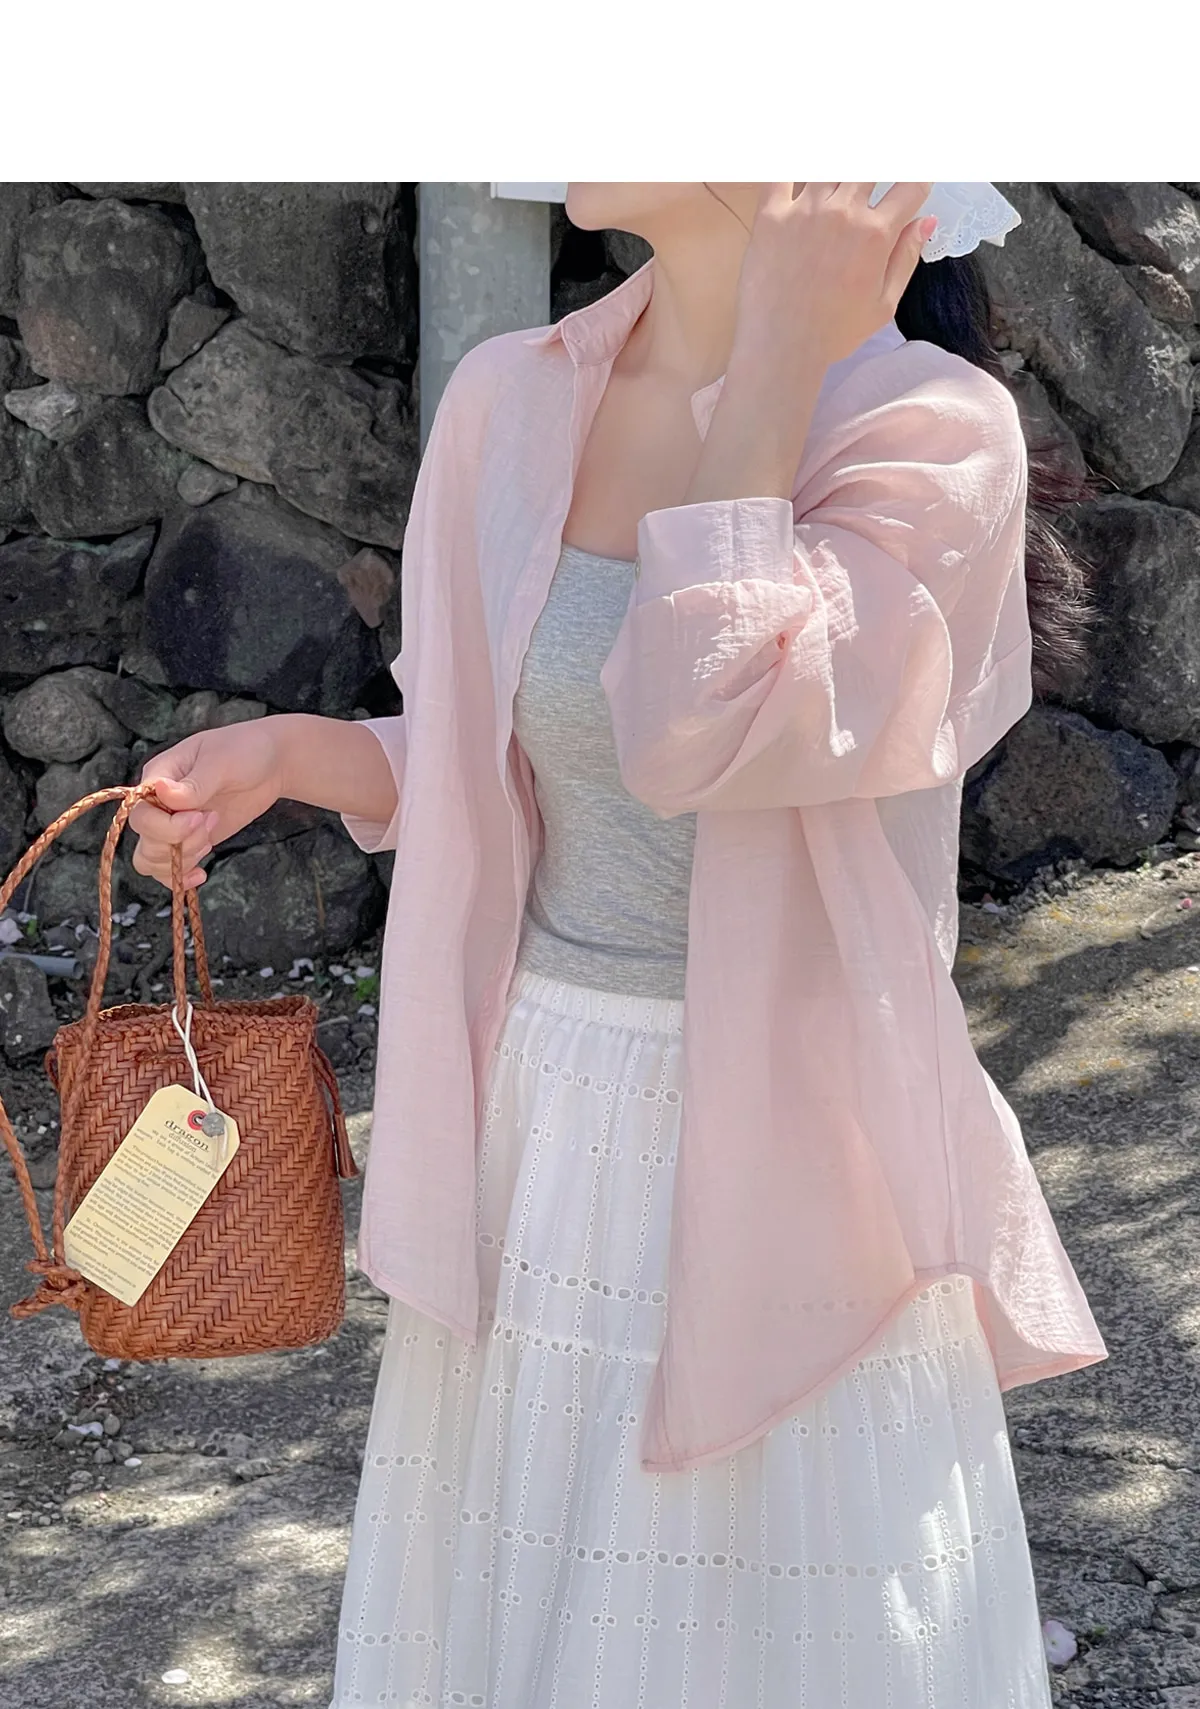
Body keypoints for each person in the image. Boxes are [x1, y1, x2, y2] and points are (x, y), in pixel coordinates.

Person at [129, 183, 1106, 1709]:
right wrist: (298, 754)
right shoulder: (514, 396)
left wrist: (774, 362)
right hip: (541, 1114)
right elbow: (513, 762)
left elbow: (702, 729)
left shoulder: (925, 433)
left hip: (788, 1147)